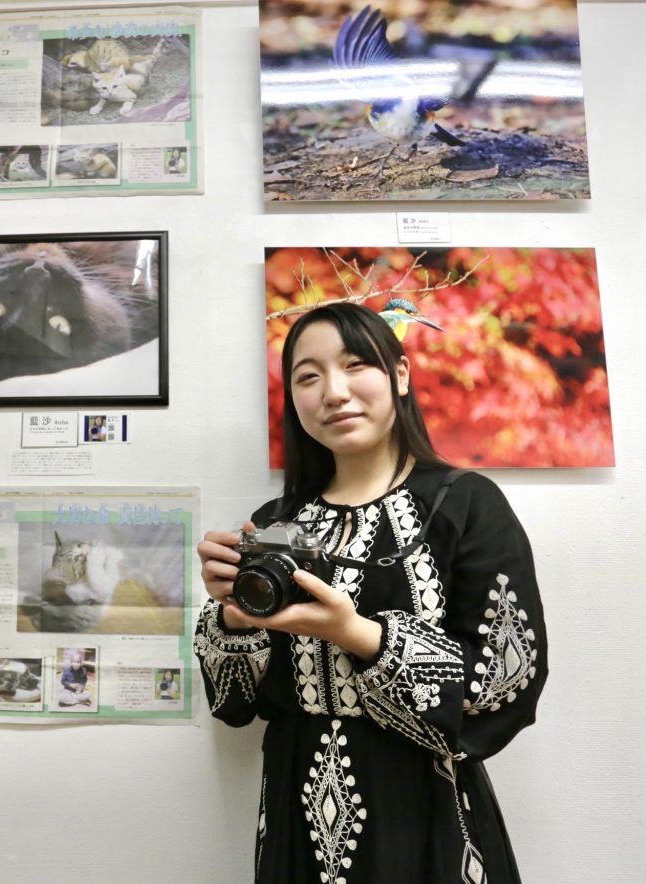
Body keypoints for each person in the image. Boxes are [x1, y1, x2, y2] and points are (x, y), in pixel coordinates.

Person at [194, 302, 547, 883]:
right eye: (308, 376)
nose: (334, 392)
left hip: (426, 804)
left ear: (400, 375)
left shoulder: (466, 503)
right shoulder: (276, 522)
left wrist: (353, 633)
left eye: (356, 365)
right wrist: (233, 617)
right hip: (297, 805)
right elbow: (233, 705)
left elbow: (503, 692)